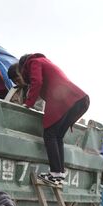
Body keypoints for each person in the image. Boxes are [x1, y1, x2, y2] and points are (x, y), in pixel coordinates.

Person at [17, 53, 90, 185]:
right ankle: (59, 173)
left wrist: (28, 103)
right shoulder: (45, 62)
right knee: (57, 136)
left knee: (50, 134)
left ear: (23, 66)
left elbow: (37, 82)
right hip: (76, 99)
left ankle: (55, 173)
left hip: (65, 99)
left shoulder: (34, 62)